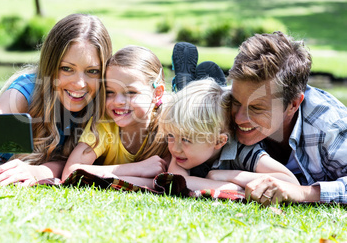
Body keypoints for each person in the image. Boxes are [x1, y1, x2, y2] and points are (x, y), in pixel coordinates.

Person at [173, 31, 347, 204]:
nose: (239, 118)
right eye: (235, 101)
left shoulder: (330, 125)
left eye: (256, 108)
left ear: (293, 104)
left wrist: (302, 192)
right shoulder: (227, 105)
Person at [0, 13, 113, 186]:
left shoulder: (106, 104)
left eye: (92, 71)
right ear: (49, 66)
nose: (79, 84)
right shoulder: (25, 91)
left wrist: (39, 171)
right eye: (66, 68)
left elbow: (78, 164)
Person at [160, 78, 299, 194]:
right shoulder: (181, 153)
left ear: (218, 141)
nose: (175, 148)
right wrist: (232, 187)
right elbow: (177, 182)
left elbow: (290, 182)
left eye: (186, 139)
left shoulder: (242, 151)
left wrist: (230, 176)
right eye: (171, 135)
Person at [61, 46, 170, 187]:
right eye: (110, 92)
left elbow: (167, 182)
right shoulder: (104, 125)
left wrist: (110, 177)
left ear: (157, 94)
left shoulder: (167, 126)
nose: (118, 101)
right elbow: (70, 172)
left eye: (131, 92)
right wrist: (138, 168)